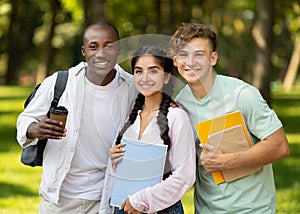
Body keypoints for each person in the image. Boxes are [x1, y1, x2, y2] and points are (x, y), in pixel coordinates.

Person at [169, 21, 290, 213]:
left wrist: (227, 161)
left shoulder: (242, 95)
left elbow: (280, 146)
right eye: (183, 54)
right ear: (175, 60)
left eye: (199, 54)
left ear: (213, 58)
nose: (190, 62)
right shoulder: (179, 105)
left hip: (253, 210)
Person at [16, 20, 137, 213]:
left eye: (109, 46)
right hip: (59, 198)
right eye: (93, 47)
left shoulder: (132, 87)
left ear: (119, 50)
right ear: (84, 51)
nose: (101, 53)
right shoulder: (59, 82)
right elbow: (25, 120)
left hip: (106, 198)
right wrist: (34, 129)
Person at [100, 45, 196, 214]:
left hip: (161, 209)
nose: (144, 78)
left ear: (166, 77)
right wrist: (116, 161)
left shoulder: (176, 117)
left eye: (153, 71)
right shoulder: (131, 118)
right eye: (138, 71)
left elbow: (185, 177)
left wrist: (140, 201)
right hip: (124, 206)